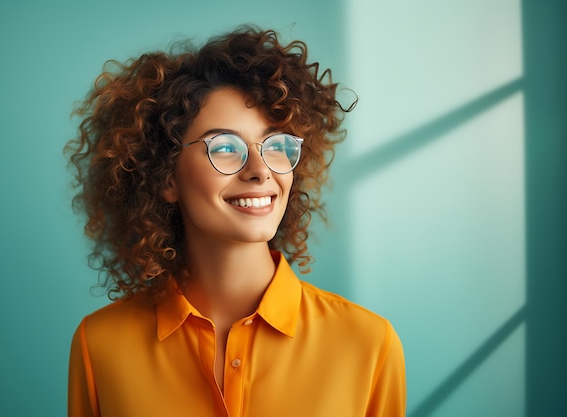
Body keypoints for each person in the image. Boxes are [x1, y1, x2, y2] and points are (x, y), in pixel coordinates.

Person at [66, 26, 406, 417]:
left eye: (277, 145)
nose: (261, 170)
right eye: (225, 147)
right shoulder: (100, 345)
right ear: (166, 178)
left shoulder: (368, 343)